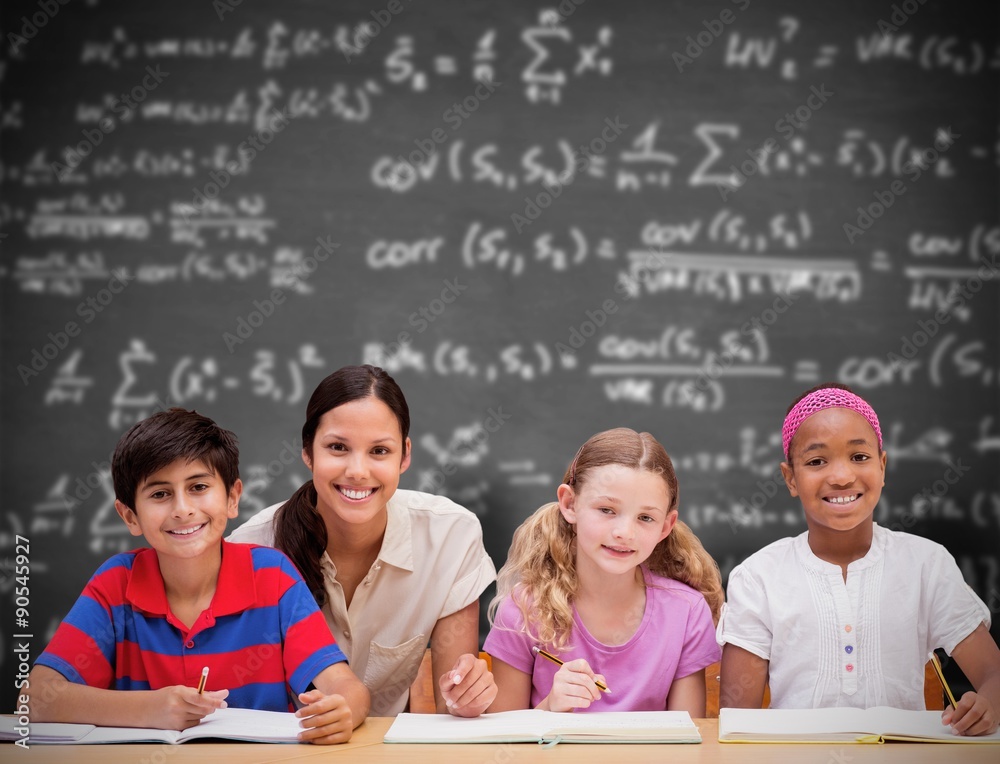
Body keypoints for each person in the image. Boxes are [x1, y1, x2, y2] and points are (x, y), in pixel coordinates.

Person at [26, 408, 369, 744]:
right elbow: (36, 697)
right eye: (160, 494)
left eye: (198, 487)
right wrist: (149, 709)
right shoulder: (117, 583)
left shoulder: (272, 576)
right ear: (130, 516)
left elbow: (346, 687)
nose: (182, 509)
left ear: (233, 497)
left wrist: (343, 712)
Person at [718, 383, 1000, 736]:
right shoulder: (759, 577)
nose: (841, 476)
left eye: (859, 457)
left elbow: (993, 676)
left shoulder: (926, 564)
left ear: (882, 467)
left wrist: (989, 704)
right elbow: (736, 722)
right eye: (817, 461)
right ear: (790, 478)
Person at [228, 365, 497, 716]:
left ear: (405, 454)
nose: (358, 471)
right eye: (338, 447)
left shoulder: (450, 535)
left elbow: (452, 699)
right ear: (307, 452)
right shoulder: (251, 549)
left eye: (379, 451)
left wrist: (467, 694)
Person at [483, 427, 723, 715]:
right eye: (607, 510)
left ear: (666, 526)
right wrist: (549, 709)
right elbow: (503, 743)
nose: (624, 532)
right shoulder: (524, 608)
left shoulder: (686, 612)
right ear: (570, 504)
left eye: (645, 517)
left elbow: (689, 738)